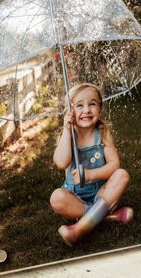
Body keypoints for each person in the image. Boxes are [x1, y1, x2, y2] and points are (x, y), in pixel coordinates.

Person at [51, 83, 133, 246]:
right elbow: (61, 163)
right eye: (79, 105)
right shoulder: (67, 135)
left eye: (92, 104)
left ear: (100, 109)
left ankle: (79, 229)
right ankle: (108, 216)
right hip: (76, 196)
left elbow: (114, 165)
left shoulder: (102, 132)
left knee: (122, 175)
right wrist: (67, 131)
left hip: (100, 193)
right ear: (70, 112)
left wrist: (91, 175)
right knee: (56, 198)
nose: (87, 110)